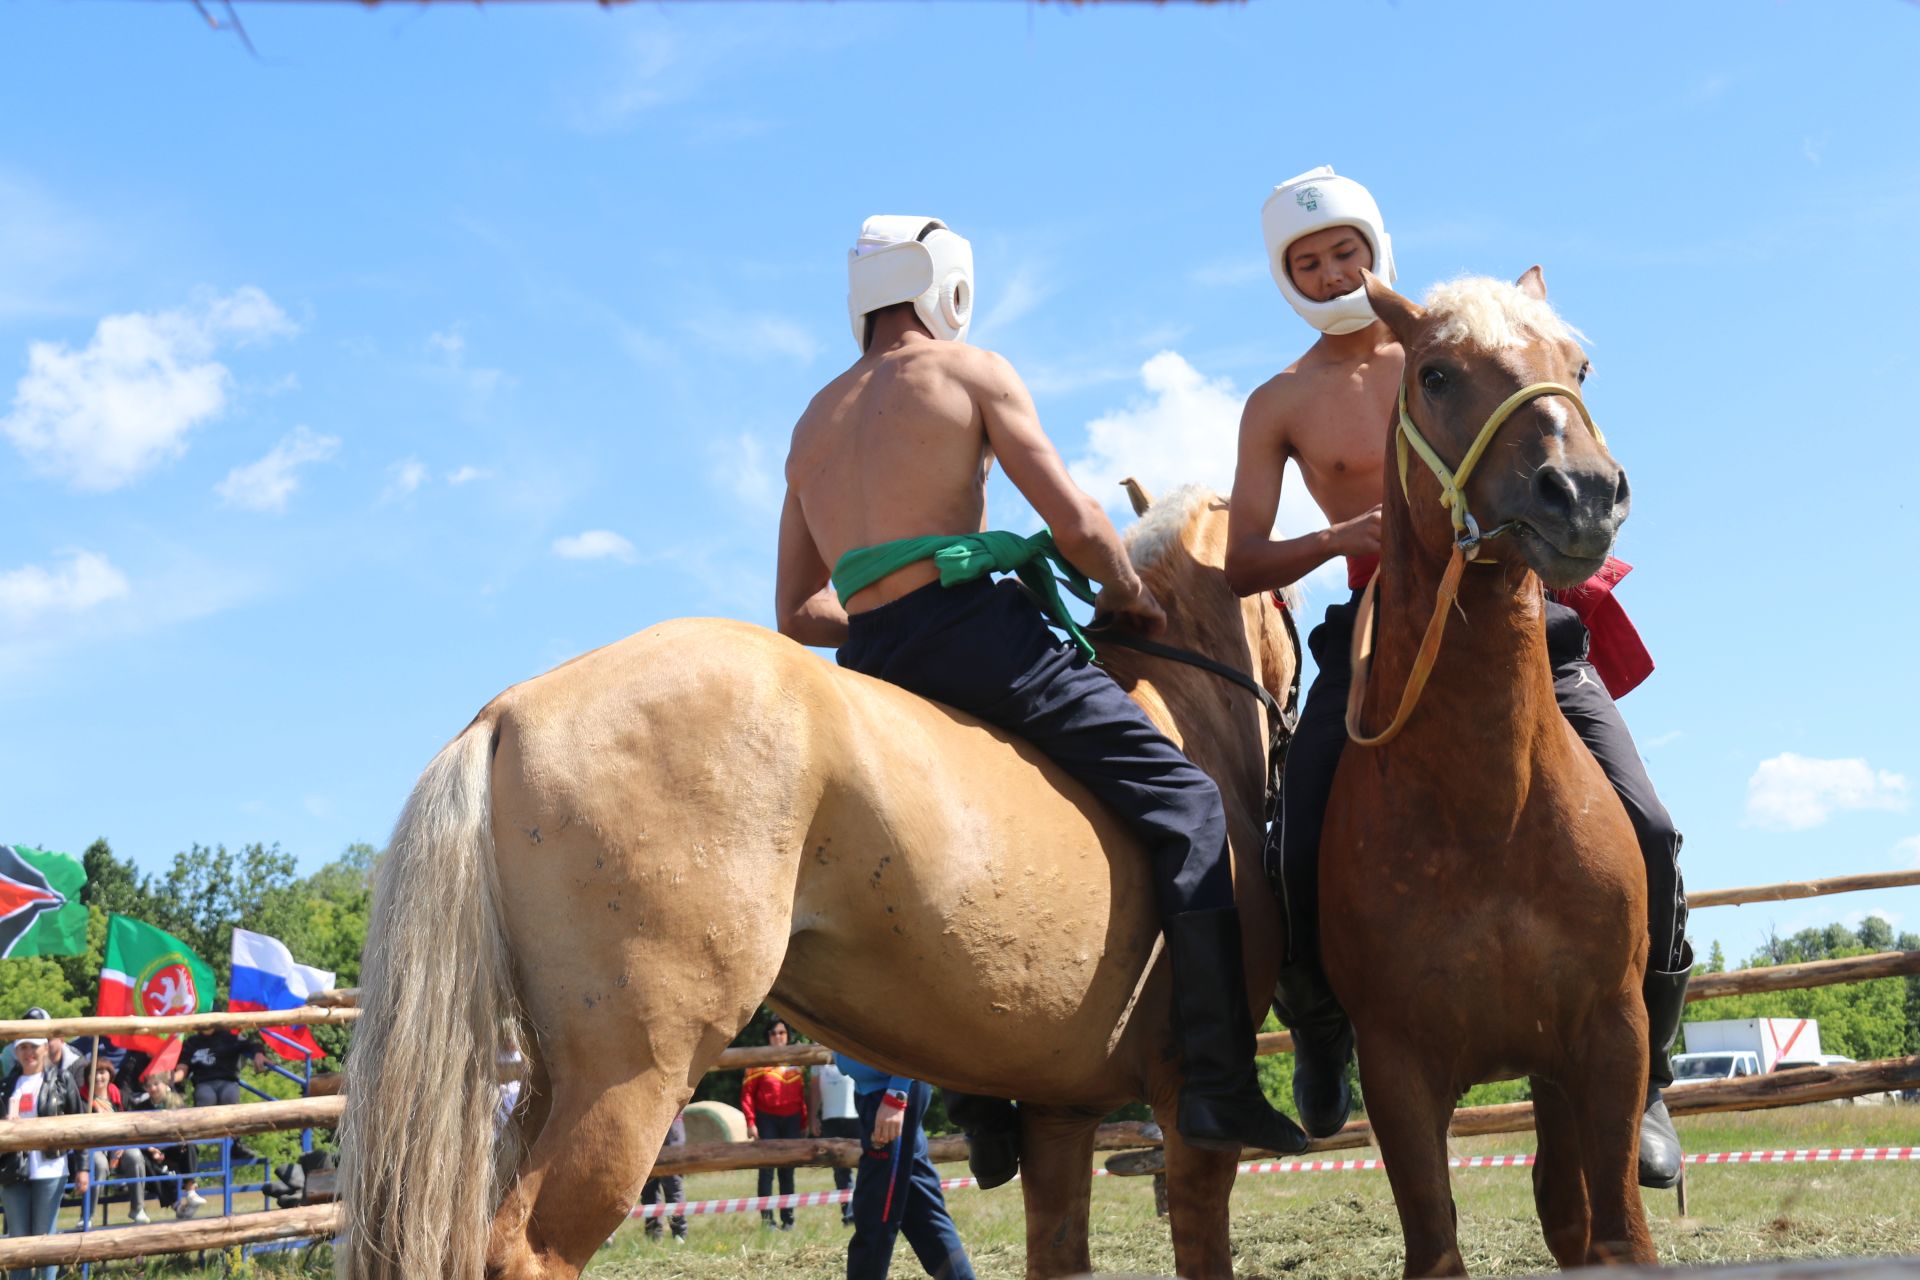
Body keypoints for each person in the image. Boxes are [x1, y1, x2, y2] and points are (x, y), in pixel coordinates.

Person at [772, 214, 1307, 1163]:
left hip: (878, 670)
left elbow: (799, 612)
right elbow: (1077, 520)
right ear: (948, 286)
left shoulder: (811, 426)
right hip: (984, 644)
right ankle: (1219, 1080)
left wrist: (892, 612)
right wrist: (1129, 592)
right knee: (1186, 801)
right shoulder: (970, 372)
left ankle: (982, 1106)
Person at [1224, 165, 1692, 1187]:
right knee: (1297, 820)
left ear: (1375, 246)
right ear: (1284, 277)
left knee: (1648, 822)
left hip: (1519, 614)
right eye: (1306, 260)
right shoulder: (1282, 400)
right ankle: (1320, 1023)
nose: (1330, 268)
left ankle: (1648, 1064)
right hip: (1379, 627)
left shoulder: (1463, 344)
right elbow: (1242, 562)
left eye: (1344, 247)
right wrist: (1350, 531)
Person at [836, 1053, 975, 1280]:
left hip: (889, 1095)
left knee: (875, 1210)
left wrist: (896, 1094)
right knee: (922, 1210)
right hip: (877, 1093)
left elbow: (917, 1027)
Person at [1, 1036, 88, 1280]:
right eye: (23, 1047)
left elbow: (79, 1125)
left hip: (50, 1168)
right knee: (18, 1239)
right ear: (16, 1051)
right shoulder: (6, 1084)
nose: (29, 1052)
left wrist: (83, 1167)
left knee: (44, 1238)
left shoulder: (62, 1079)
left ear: (44, 1047)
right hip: (12, 1169)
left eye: (34, 1046)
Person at [740, 1019, 809, 1229]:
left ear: (787, 1036)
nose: (778, 1036)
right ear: (768, 1037)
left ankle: (788, 1220)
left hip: (792, 1120)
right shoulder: (757, 1062)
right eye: (773, 1033)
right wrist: (751, 1122)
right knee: (767, 1170)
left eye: (782, 1032)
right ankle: (767, 1221)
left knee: (787, 1171)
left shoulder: (796, 1062)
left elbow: (801, 1095)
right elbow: (747, 1095)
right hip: (766, 1119)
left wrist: (804, 1121)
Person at [80, 1059, 152, 1224]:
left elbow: (131, 1123)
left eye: (102, 1072)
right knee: (98, 1164)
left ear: (110, 1075)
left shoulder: (120, 1096)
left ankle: (137, 1209)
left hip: (119, 1145)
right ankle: (87, 1216)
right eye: (95, 1073)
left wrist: (124, 1144)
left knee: (134, 1155)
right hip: (93, 1147)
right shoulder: (82, 1098)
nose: (99, 1077)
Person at [810, 1054, 860, 1226]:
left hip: (855, 1116)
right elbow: (815, 1090)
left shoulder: (847, 1046)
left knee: (864, 1166)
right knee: (840, 1170)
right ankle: (848, 1214)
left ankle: (864, 1209)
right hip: (830, 1119)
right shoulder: (816, 1057)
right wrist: (812, 1117)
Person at [638, 1110, 688, 1243]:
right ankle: (653, 1235)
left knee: (672, 1183)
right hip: (645, 1122)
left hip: (670, 1122)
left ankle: (679, 1234)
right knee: (648, 1186)